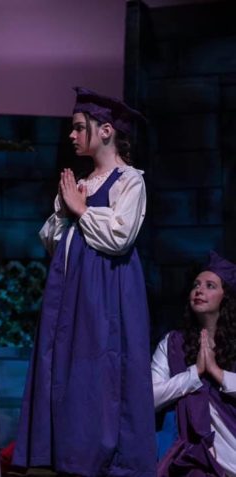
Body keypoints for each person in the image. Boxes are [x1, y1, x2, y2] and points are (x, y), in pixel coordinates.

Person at [13, 87, 156, 475]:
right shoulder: (80, 181)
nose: (72, 136)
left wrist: (81, 210)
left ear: (106, 131)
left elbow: (120, 235)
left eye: (80, 128)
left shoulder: (129, 180)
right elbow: (52, 240)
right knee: (65, 364)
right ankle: (66, 453)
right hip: (70, 286)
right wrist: (66, 211)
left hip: (106, 289)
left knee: (101, 366)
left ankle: (103, 457)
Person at [152, 251, 236, 476]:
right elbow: (149, 397)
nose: (199, 290)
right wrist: (194, 374)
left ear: (225, 297)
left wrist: (217, 373)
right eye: (196, 285)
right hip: (189, 454)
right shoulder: (172, 343)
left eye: (210, 286)